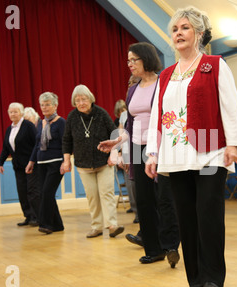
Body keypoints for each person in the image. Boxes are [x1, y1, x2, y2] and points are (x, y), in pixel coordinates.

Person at [144, 6, 237, 287]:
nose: (178, 33)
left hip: (211, 152)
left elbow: (230, 105)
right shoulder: (165, 75)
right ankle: (196, 277)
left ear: (199, 33)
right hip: (175, 156)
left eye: (185, 28)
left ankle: (213, 277)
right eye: (175, 29)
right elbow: (156, 116)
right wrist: (152, 153)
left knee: (209, 214)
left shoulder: (214, 64)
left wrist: (234, 143)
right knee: (186, 217)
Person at [98, 42, 180, 268]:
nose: (130, 64)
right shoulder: (133, 89)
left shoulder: (164, 83)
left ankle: (171, 245)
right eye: (128, 61)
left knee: (165, 198)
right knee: (143, 201)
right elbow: (132, 125)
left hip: (161, 148)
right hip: (137, 148)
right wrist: (117, 142)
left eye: (134, 59)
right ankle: (153, 250)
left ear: (146, 58)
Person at [61, 85, 124, 239]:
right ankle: (96, 226)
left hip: (104, 162)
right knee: (92, 196)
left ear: (90, 99)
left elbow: (114, 134)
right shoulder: (72, 117)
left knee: (106, 193)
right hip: (83, 164)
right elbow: (67, 140)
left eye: (84, 99)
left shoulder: (101, 113)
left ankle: (112, 225)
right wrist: (66, 160)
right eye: (77, 100)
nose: (81, 103)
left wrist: (114, 155)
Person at [26, 92, 66, 235]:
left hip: (55, 162)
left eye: (48, 104)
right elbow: (37, 144)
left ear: (55, 105)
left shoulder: (61, 122)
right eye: (42, 105)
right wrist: (31, 161)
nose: (44, 107)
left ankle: (46, 224)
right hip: (41, 162)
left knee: (47, 193)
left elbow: (65, 143)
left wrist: (64, 161)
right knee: (45, 193)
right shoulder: (40, 123)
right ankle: (58, 225)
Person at [0, 102, 40, 227]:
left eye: (15, 111)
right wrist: (0, 163)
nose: (13, 114)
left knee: (32, 191)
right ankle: (28, 216)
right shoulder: (9, 129)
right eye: (10, 112)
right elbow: (6, 148)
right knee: (22, 192)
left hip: (31, 165)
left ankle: (37, 217)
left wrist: (32, 161)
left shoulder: (28, 125)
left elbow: (36, 144)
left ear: (21, 113)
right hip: (18, 166)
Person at [117, 99, 138, 221]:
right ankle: (136, 211)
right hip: (127, 153)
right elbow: (120, 135)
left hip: (142, 152)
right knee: (130, 184)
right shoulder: (124, 115)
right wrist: (120, 154)